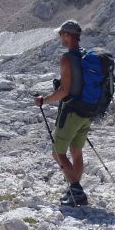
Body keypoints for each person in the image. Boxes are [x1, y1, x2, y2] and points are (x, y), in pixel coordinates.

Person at [34, 20, 93, 206]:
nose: (60, 37)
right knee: (76, 151)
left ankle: (77, 191)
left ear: (67, 35)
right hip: (88, 111)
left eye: (61, 34)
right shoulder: (85, 56)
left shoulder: (67, 58)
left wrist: (44, 100)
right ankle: (73, 191)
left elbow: (64, 91)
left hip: (72, 112)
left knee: (58, 152)